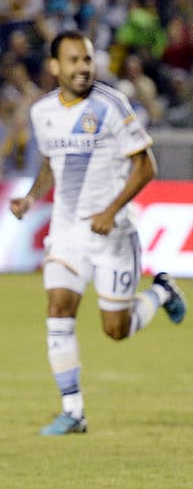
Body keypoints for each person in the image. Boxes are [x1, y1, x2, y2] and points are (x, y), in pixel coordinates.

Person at [10, 31, 186, 436]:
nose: (82, 68)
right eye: (73, 60)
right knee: (58, 309)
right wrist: (29, 199)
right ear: (55, 67)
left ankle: (161, 292)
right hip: (67, 231)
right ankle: (73, 412)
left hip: (113, 234)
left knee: (116, 330)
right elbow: (51, 164)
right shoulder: (43, 113)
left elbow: (147, 166)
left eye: (87, 60)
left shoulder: (112, 106)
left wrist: (110, 210)